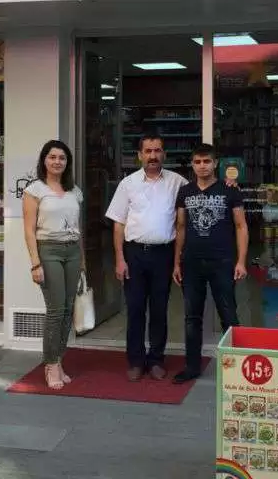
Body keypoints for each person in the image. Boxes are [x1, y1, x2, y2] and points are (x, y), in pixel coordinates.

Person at [106, 133, 187, 381]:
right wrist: (120, 259)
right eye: (148, 151)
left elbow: (201, 193)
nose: (153, 156)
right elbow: (118, 224)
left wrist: (228, 184)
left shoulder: (178, 182)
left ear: (164, 154)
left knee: (160, 309)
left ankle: (156, 360)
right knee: (135, 309)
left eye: (157, 150)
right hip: (134, 255)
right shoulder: (127, 184)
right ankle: (135, 361)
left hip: (163, 254)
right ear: (140, 155)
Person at [172, 144, 248, 384]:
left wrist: (241, 261)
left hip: (222, 261)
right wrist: (176, 263)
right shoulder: (185, 191)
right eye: (197, 162)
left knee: (228, 314)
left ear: (215, 163)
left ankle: (237, 369)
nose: (202, 166)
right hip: (191, 263)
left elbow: (241, 226)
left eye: (206, 161)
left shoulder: (229, 190)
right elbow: (180, 227)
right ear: (192, 164)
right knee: (192, 317)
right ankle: (192, 366)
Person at [22, 140, 85, 390]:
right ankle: (50, 364)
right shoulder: (34, 190)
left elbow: (78, 228)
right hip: (48, 251)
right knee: (56, 310)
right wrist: (35, 263)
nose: (57, 161)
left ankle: (58, 359)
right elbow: (29, 230)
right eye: (53, 157)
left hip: (73, 251)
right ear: (44, 160)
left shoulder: (74, 191)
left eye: (62, 158)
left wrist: (82, 260)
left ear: (67, 162)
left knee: (68, 309)